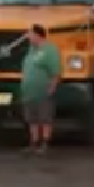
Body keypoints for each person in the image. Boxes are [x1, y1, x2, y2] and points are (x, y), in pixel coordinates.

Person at [19, 24, 61, 154]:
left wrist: (52, 87)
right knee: (32, 119)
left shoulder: (50, 51)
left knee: (45, 119)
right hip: (29, 93)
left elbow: (56, 72)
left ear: (38, 35)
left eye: (30, 34)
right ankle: (33, 143)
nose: (28, 37)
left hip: (43, 92)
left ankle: (45, 144)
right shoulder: (31, 50)